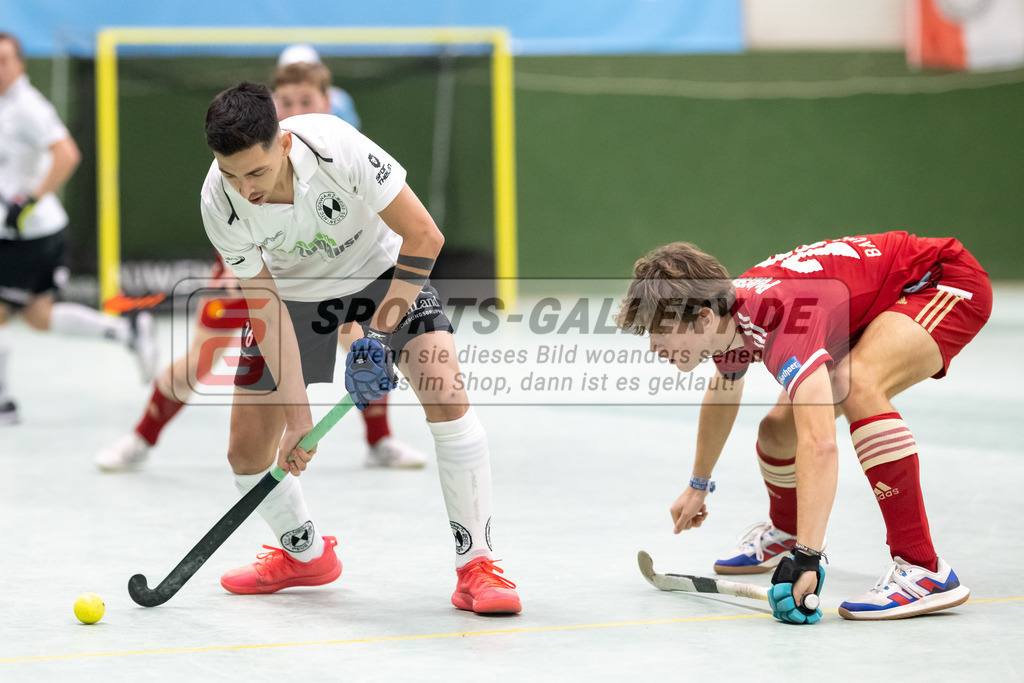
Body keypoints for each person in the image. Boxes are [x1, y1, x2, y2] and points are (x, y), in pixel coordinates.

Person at [197, 82, 521, 614]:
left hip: (381, 275)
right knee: (247, 453)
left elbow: (424, 237)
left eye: (255, 173)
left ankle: (477, 566)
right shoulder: (218, 201)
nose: (245, 189)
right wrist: (298, 417)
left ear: (281, 144)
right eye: (231, 174)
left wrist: (378, 335)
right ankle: (302, 552)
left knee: (446, 394)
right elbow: (266, 305)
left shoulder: (335, 146)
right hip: (292, 296)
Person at [616, 232, 991, 623]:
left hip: (941, 280)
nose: (654, 346)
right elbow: (725, 387)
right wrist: (698, 484)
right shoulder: (731, 316)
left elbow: (821, 444)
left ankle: (924, 568)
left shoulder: (781, 319)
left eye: (659, 330)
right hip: (874, 303)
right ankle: (788, 531)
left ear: (704, 318)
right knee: (777, 431)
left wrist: (808, 559)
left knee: (857, 383)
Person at [95, 59, 425, 470]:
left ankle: (380, 440)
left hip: (321, 267)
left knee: (359, 342)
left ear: (327, 102)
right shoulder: (241, 165)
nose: (294, 107)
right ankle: (141, 438)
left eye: (306, 100)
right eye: (285, 100)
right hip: (252, 267)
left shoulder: (336, 146)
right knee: (204, 352)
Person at [0, 32, 157, 424]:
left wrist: (28, 200)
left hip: (29, 235)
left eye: (4, 60)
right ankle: (127, 331)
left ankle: (4, 404)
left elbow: (67, 155)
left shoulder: (28, 108)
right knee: (38, 317)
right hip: (23, 234)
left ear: (20, 64)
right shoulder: (6, 106)